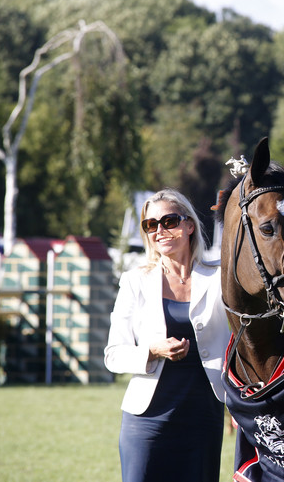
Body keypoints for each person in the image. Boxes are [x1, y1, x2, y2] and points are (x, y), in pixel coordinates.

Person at [104, 188, 231, 482]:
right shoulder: (135, 281)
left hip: (204, 417)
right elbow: (113, 354)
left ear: (189, 226)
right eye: (150, 225)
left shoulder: (219, 278)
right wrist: (152, 350)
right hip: (146, 420)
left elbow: (240, 342)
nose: (159, 230)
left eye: (169, 221)